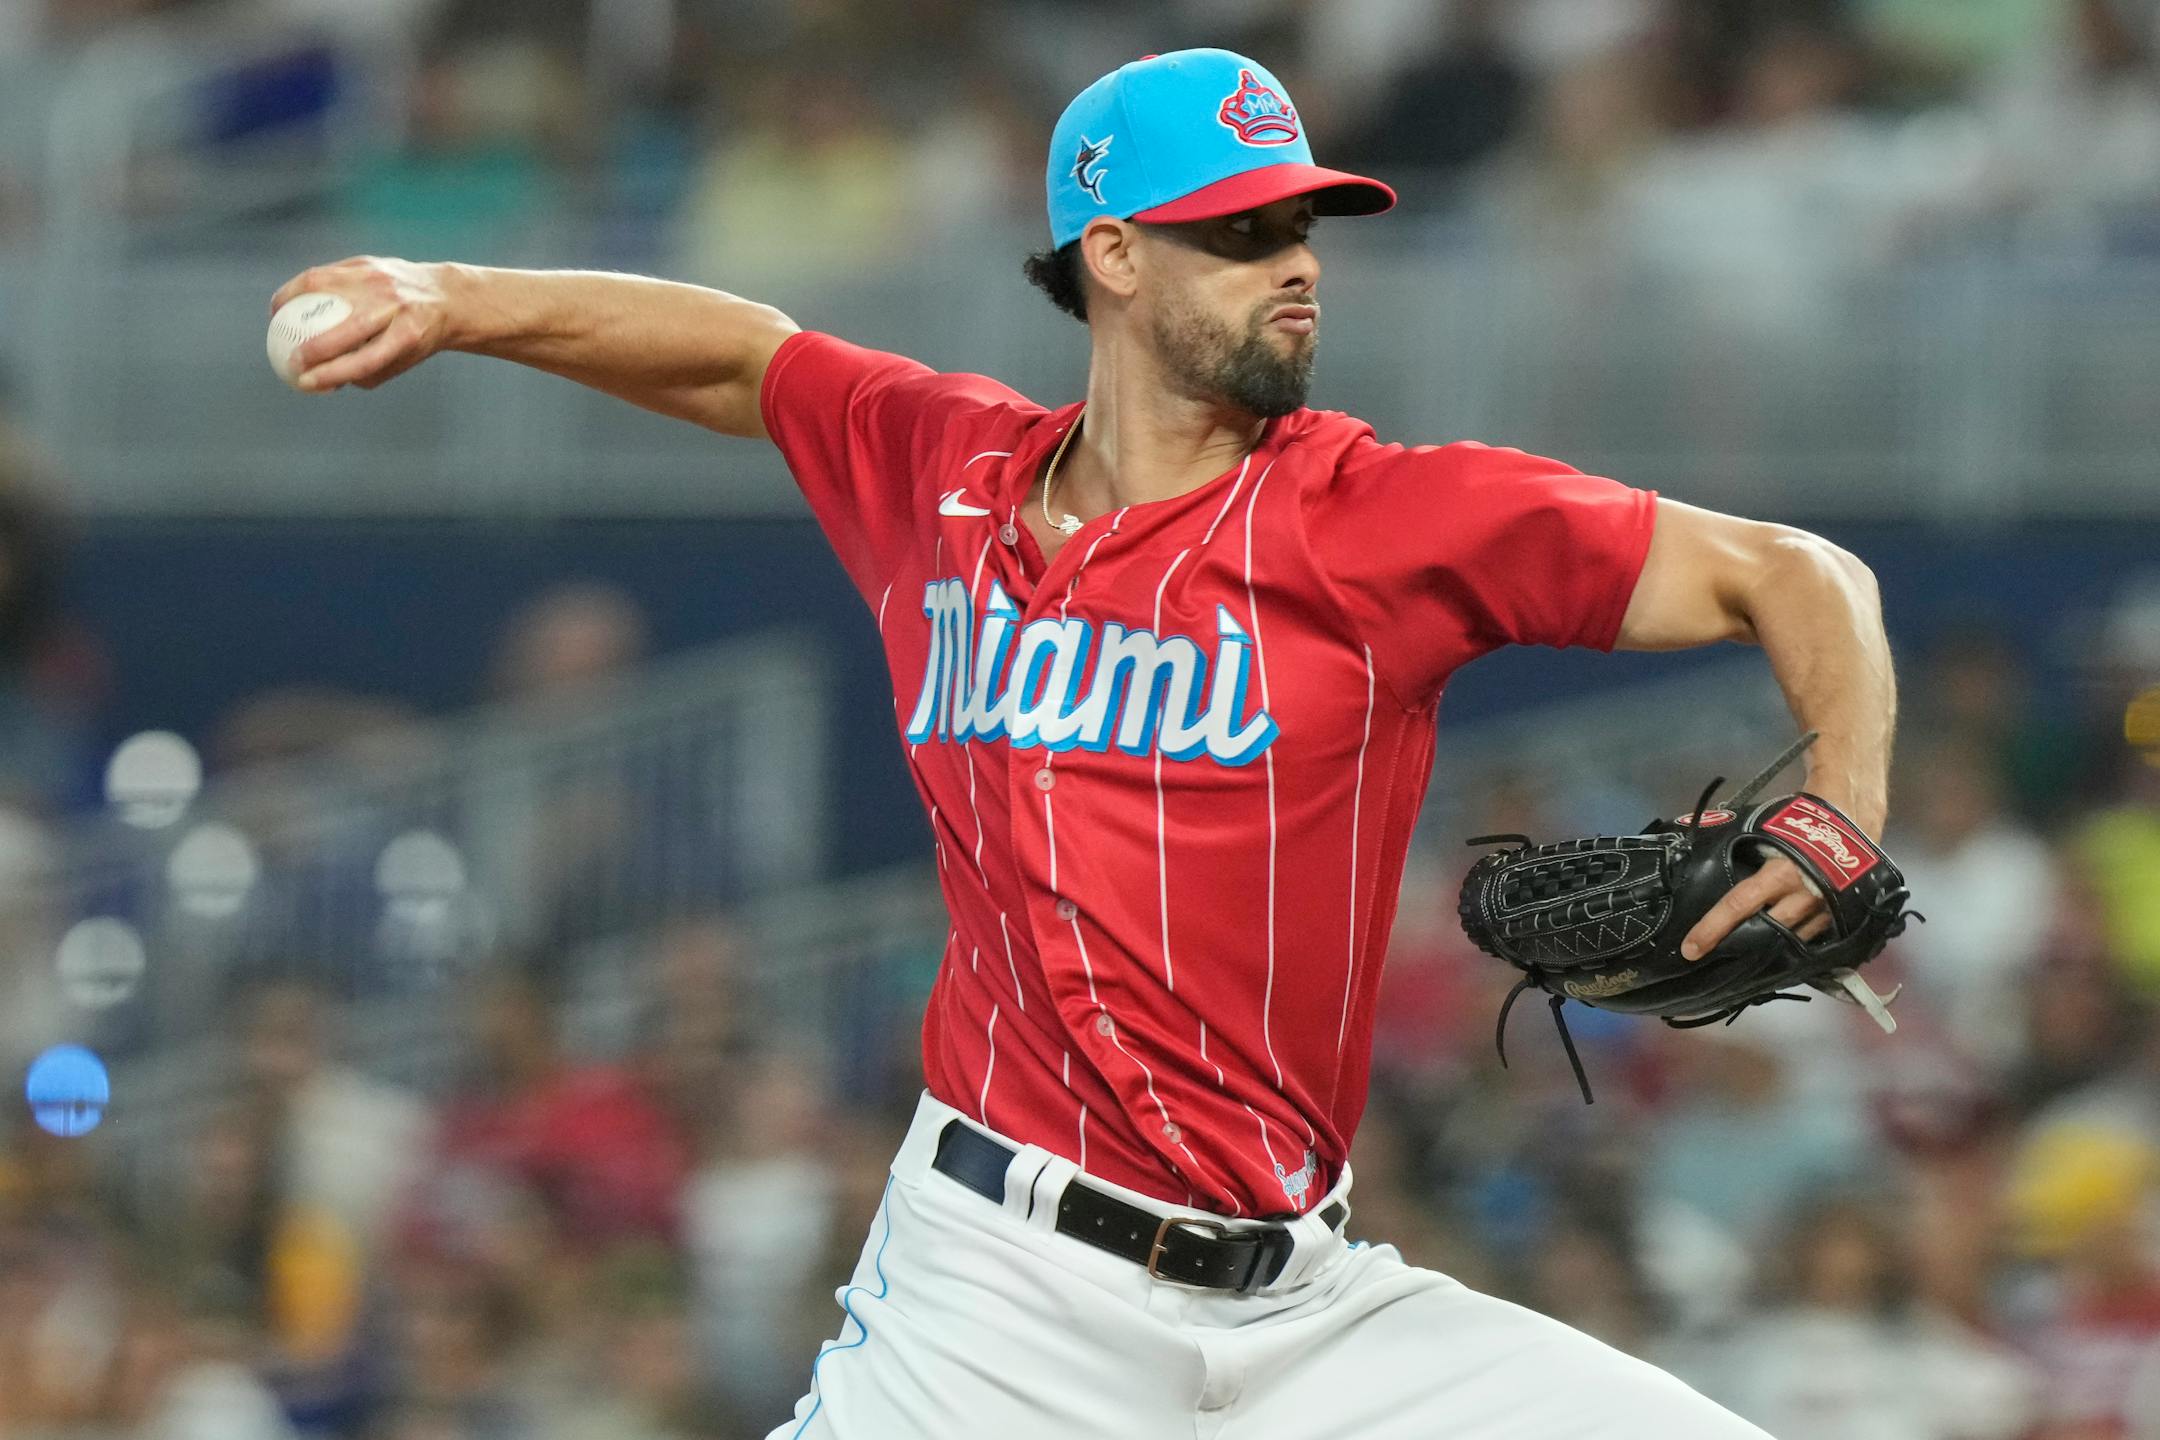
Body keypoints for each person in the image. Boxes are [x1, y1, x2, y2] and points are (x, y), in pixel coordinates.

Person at [271, 46, 1895, 1439]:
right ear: (1111, 255)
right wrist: (456, 296)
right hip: (995, 1300)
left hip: (1313, 1312)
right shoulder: (942, 470)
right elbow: (742, 356)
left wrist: (1843, 806)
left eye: (1304, 223)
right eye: (1240, 230)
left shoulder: (1381, 518)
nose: (1297, 261)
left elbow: (1796, 573)